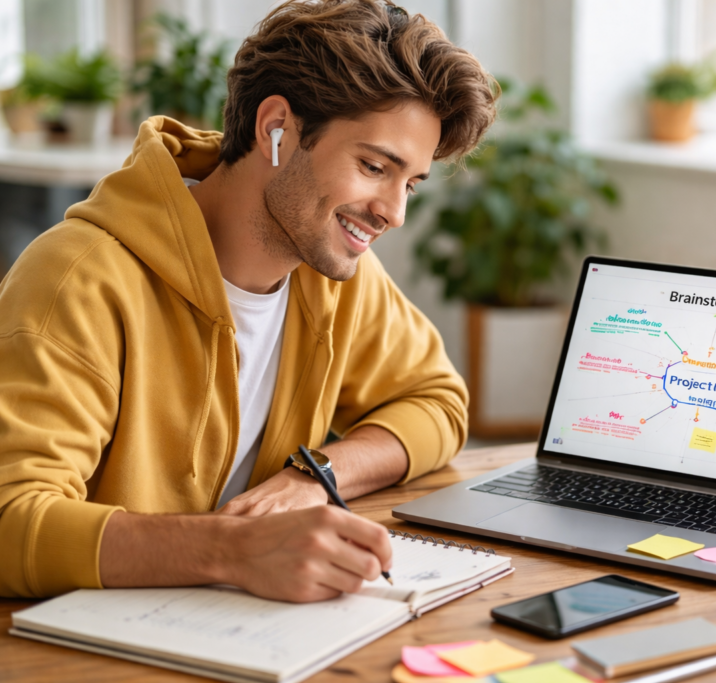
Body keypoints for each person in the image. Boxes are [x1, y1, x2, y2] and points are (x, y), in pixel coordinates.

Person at [0, 0, 497, 602]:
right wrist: (232, 549)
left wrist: (316, 477)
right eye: (373, 166)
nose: (394, 212)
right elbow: (12, 519)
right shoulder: (78, 279)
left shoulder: (337, 274)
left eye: (410, 182)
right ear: (276, 129)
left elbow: (437, 401)